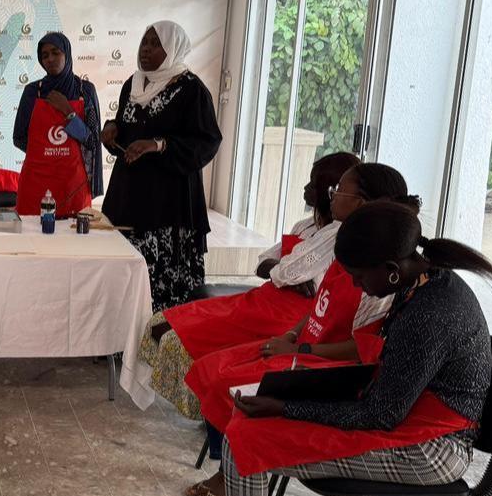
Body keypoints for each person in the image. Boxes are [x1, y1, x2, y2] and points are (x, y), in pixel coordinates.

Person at [167, 201, 492, 496]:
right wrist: (294, 394)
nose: (359, 289)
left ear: (391, 270)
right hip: (406, 416)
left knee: (249, 437)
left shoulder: (430, 313)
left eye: (360, 278)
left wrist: (287, 407)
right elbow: (383, 385)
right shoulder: (422, 283)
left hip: (434, 451)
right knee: (249, 424)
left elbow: (380, 415)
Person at [179, 163, 419, 496]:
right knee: (211, 369)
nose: (328, 195)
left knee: (240, 388)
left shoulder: (383, 278)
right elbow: (320, 300)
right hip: (305, 344)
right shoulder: (351, 243)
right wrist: (292, 336)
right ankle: (229, 464)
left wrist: (302, 346)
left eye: (340, 190)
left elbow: (363, 352)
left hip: (329, 364)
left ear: (363, 203)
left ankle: (234, 479)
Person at [138, 152, 360, 425]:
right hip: (264, 298)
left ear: (329, 192)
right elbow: (265, 264)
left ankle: (209, 414)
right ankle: (210, 410)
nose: (305, 188)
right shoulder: (306, 226)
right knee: (161, 322)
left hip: (283, 315)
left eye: (313, 184)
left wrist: (282, 271)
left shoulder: (337, 235)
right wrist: (282, 272)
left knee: (177, 338)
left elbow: (287, 271)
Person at [100, 21, 222, 310]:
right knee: (123, 273)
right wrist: (113, 128)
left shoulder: (192, 90)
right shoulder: (134, 83)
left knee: (161, 282)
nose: (147, 49)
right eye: (145, 42)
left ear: (173, 48)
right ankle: (120, 339)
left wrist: (157, 144)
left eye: (156, 44)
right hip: (128, 197)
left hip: (168, 203)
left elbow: (207, 141)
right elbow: (128, 127)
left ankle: (159, 340)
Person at [13, 31, 102, 215]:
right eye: (44, 55)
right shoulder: (32, 91)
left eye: (56, 52)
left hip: (73, 186)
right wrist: (45, 154)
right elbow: (19, 137)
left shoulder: (85, 90)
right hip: (35, 184)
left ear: (67, 54)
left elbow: (92, 141)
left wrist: (68, 112)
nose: (50, 59)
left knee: (73, 243)